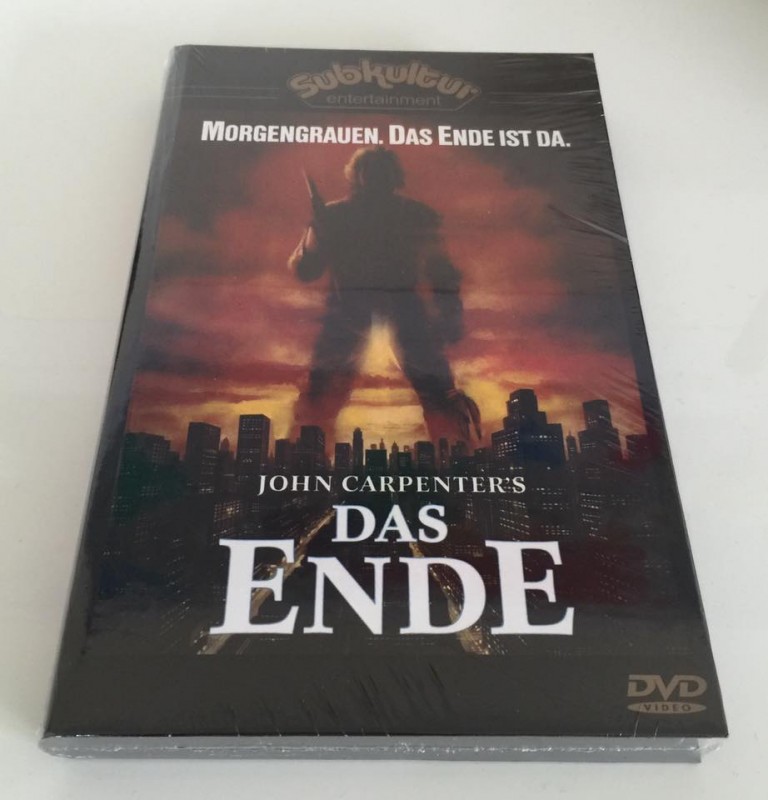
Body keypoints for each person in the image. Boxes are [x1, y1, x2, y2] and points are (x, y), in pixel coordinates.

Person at [289, 146, 480, 444]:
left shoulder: (416, 216)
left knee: (441, 399)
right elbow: (306, 270)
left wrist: (450, 315)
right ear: (358, 175)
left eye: (382, 171)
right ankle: (303, 462)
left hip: (403, 313)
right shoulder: (335, 216)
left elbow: (442, 271)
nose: (377, 178)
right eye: (371, 170)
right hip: (350, 313)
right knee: (318, 402)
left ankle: (457, 458)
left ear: (393, 176)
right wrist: (316, 236)